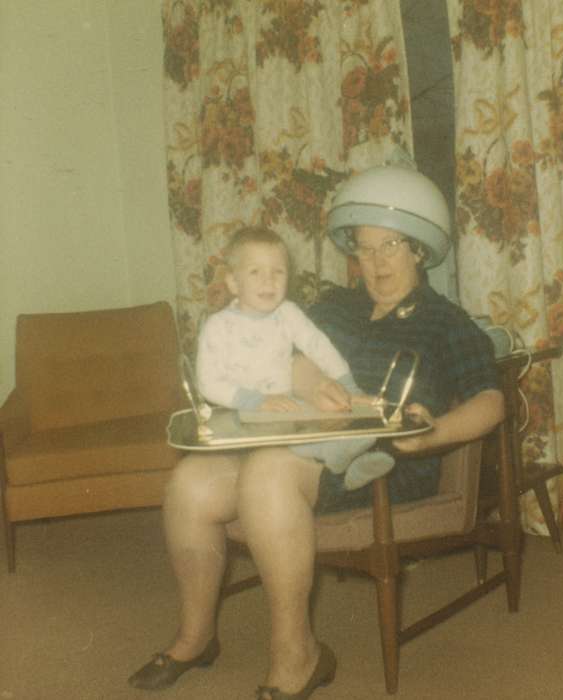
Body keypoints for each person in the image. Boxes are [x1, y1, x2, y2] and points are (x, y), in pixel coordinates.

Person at [128, 164, 505, 699]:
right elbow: (287, 347)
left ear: (419, 249)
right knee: (190, 482)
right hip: (288, 434)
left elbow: (491, 401)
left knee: (265, 476)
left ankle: (297, 656)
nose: (374, 264)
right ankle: (195, 638)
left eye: (391, 247)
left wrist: (433, 433)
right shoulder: (335, 305)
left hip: (379, 462)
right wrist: (310, 375)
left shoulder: (446, 321)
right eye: (365, 250)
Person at [195, 225, 394, 491]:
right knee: (296, 437)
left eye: (278, 272)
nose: (269, 281)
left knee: (319, 418)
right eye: (255, 272)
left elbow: (319, 347)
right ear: (233, 282)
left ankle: (352, 461)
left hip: (285, 411)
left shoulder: (288, 314)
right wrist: (257, 402)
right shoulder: (218, 327)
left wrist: (349, 388)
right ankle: (340, 457)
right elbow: (208, 383)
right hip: (240, 415)